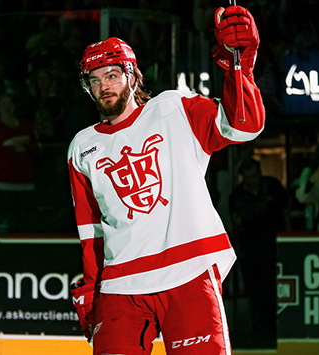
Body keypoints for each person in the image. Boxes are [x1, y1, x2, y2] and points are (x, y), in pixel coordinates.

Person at [67, 6, 264, 354]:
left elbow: (243, 126)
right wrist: (90, 288)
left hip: (189, 270)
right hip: (121, 284)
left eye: (111, 75)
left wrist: (239, 67)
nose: (103, 86)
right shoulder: (83, 146)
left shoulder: (173, 108)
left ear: (132, 75)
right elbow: (90, 229)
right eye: (94, 80)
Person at [229, 157, 290, 347]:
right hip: (250, 251)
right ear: (242, 178)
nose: (253, 180)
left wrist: (287, 236)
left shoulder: (272, 185)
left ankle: (278, 331)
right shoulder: (237, 196)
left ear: (260, 172)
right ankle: (260, 334)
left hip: (274, 246)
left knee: (276, 290)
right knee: (255, 293)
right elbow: (235, 224)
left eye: (255, 176)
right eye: (248, 178)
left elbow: (286, 209)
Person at [0, 93, 40, 223]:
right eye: (3, 104)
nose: (7, 107)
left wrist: (25, 149)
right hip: (1, 185)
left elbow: (38, 147)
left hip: (25, 184)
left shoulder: (26, 125)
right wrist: (11, 147)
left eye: (10, 103)